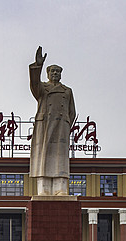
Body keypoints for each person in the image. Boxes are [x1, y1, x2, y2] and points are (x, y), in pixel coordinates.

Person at [29, 46, 76, 196]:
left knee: (60, 157)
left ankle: (60, 188)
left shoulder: (67, 91)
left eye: (58, 72)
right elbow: (34, 85)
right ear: (48, 74)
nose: (55, 73)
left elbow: (72, 112)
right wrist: (38, 65)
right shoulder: (42, 88)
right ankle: (44, 189)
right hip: (45, 125)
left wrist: (66, 125)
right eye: (52, 71)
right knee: (43, 156)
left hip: (61, 127)